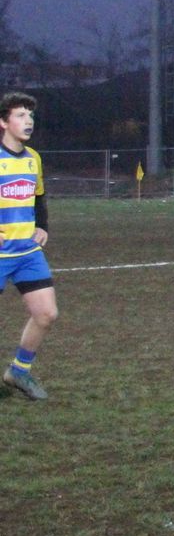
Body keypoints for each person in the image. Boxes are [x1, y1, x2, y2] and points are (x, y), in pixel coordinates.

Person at [0, 93, 55, 401]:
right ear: (4, 122)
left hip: (27, 253)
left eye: (30, 116)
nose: (28, 121)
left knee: (46, 314)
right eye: (20, 115)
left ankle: (18, 372)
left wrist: (42, 226)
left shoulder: (33, 157)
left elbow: (38, 196)